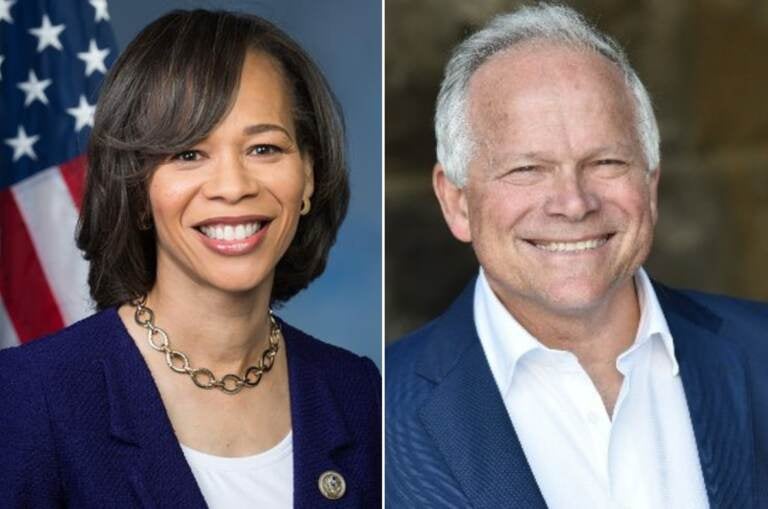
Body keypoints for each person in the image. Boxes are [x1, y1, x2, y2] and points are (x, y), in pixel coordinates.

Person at [386, 4, 768, 508]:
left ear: (650, 184)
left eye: (606, 161)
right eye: (527, 169)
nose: (573, 203)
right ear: (456, 201)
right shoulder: (378, 412)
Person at [0, 9, 380, 508]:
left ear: (308, 176)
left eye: (264, 148)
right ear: (135, 186)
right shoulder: (28, 396)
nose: (234, 187)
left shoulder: (359, 393)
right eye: (187, 153)